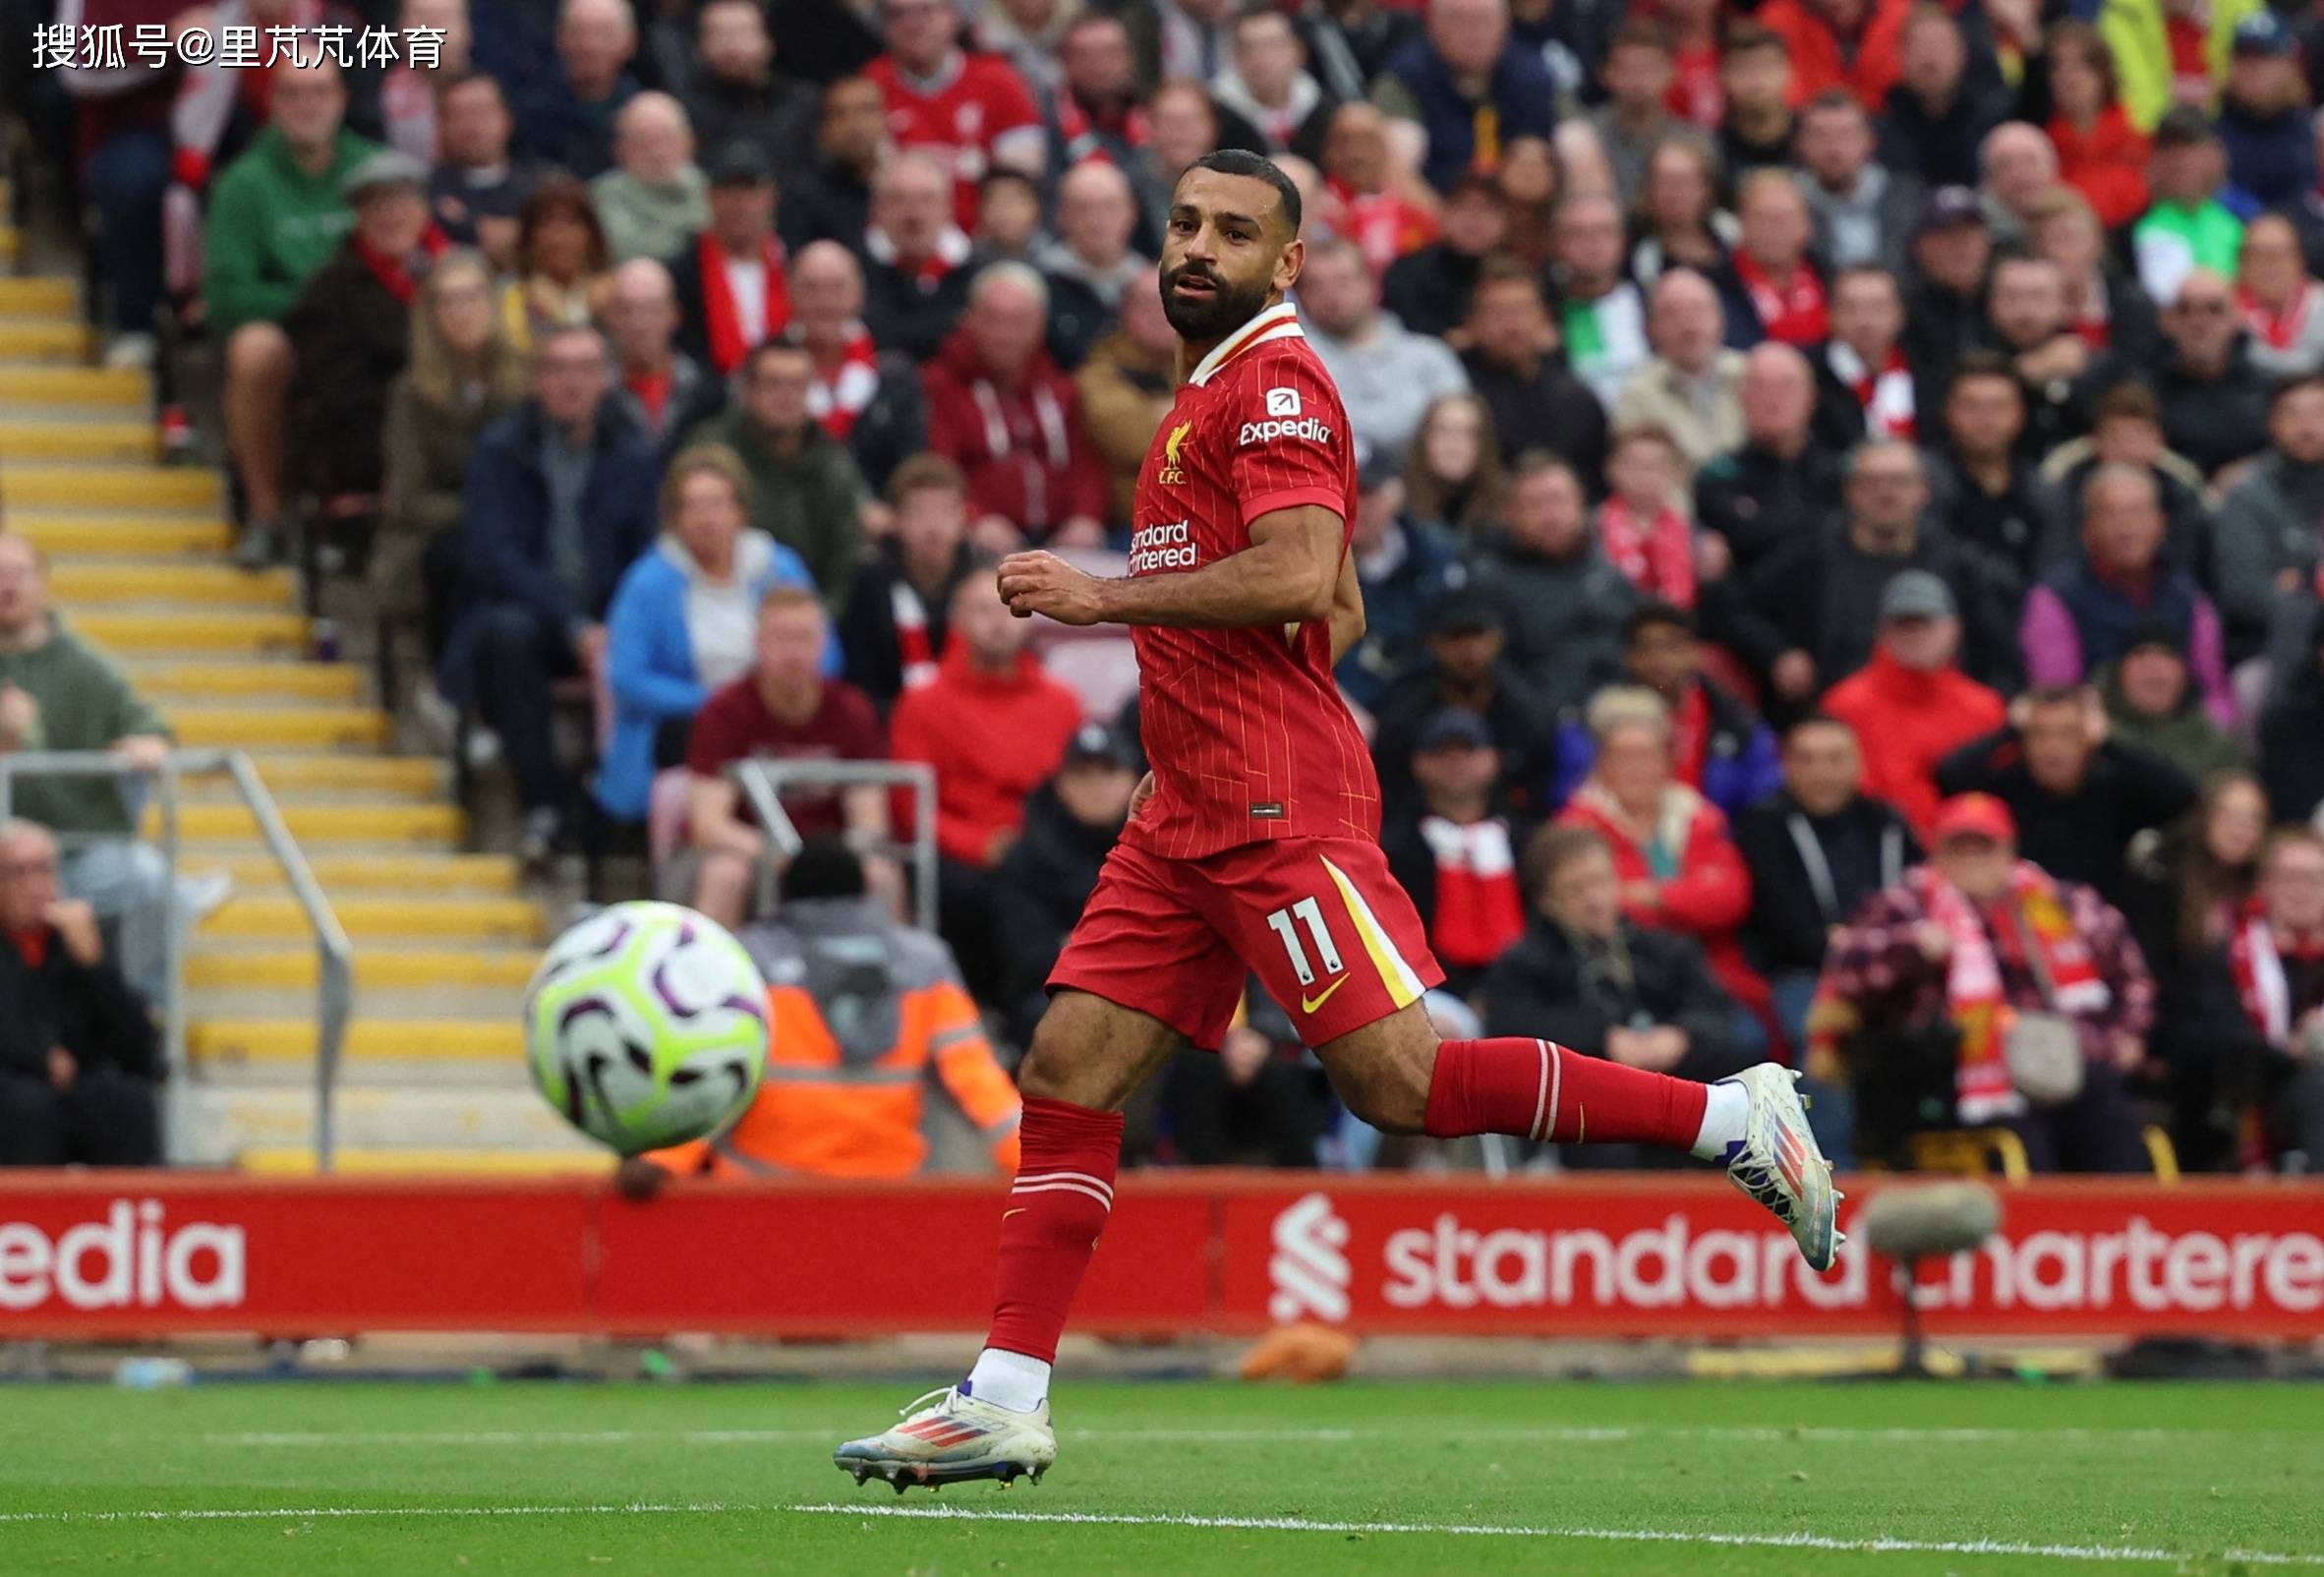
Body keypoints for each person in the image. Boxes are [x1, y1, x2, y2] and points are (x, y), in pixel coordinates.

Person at [833, 150, 1838, 1491]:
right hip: (1189, 805)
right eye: (1184, 223)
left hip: (1273, 807)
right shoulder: (1208, 390)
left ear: (1288, 261)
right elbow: (1344, 605)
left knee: (1400, 1083)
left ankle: (1730, 1117)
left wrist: (1104, 599)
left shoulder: (1278, 385)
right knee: (1067, 1069)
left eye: (1233, 231)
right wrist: (1191, 721)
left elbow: (1305, 572)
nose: (1198, 247)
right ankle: (1003, 1396)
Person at [620, 837, 1019, 1185]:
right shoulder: (923, 964)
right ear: (865, 891)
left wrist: (664, 1160)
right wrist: (1037, 1171)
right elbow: (977, 1081)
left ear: (784, 894)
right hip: (885, 1198)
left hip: (760, 1199)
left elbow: (711, 1074)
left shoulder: (747, 961)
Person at [1815, 792, 2156, 1172]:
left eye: (1985, 847)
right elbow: (1845, 967)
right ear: (1938, 851)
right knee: (2023, 1136)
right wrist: (1913, 946)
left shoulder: (2063, 901)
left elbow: (2131, 974)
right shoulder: (1908, 903)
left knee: (2111, 1119)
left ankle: (2130, 1208)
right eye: (1960, 848)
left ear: (2009, 850)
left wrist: (2129, 1035)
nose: (1973, 859)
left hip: (2068, 1055)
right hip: (1960, 1066)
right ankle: (2032, 1210)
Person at [442, 325, 658, 867]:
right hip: (530, 615)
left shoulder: (634, 453)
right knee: (506, 634)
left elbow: (647, 553)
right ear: (536, 380)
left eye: (586, 369)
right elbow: (492, 554)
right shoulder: (501, 449)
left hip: (612, 619)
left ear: (607, 380)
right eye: (558, 369)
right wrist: (571, 623)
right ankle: (545, 806)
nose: (571, 382)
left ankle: (625, 818)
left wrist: (615, 624)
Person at [0, 536, 211, 1009]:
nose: (6, 586)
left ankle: (144, 1015)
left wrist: (146, 746)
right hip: (4, 847)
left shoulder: (85, 664)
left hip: (82, 846)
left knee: (156, 884)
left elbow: (151, 728)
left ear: (42, 583)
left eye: (17, 573)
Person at [1478, 823, 1755, 1167]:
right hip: (1587, 1115)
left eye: (1601, 882)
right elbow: (1511, 1032)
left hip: (1675, 1093)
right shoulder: (1523, 964)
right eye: (1576, 890)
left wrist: (1681, 1035)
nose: (1596, 900)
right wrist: (1602, 1038)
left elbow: (1719, 1011)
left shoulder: (1663, 948)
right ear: (1547, 902)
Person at [594, 445, 829, 828]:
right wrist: (718, 703)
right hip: (686, 723)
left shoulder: (779, 567)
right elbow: (627, 677)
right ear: (675, 517)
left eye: (717, 504)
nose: (706, 519)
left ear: (740, 509)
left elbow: (826, 653)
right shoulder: (648, 581)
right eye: (693, 506)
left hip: (777, 713)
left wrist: (771, 694)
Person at [203, 58, 378, 569]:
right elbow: (228, 296)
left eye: (320, 91)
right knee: (254, 350)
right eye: (294, 93)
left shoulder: (374, 170)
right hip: (292, 334)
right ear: (273, 103)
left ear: (342, 100)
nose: (308, 105)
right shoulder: (243, 183)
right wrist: (318, 306)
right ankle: (266, 514)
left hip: (371, 328)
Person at [889, 572, 1084, 1000]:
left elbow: (1079, 794)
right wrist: (981, 845)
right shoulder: (923, 705)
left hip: (1043, 853)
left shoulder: (1062, 702)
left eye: (1009, 609)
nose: (997, 622)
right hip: (964, 865)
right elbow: (911, 808)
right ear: (957, 620)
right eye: (982, 610)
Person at [1726, 438, 2015, 707]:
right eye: (1872, 482)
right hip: (1832, 717)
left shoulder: (1956, 562)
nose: (1886, 493)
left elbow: (1996, 650)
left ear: (1923, 491)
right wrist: (1778, 654)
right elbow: (1739, 608)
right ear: (1850, 491)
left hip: (1936, 713)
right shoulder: (1813, 551)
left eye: (1900, 481)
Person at [1554, 685, 1769, 1032]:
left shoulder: (1699, 815)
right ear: (1601, 762)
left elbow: (1732, 898)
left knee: (1747, 1037)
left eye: (1647, 755)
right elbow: (1599, 911)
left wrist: (1654, 896)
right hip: (1619, 979)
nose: (1636, 768)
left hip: (1712, 976)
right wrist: (1690, 898)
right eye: (1623, 756)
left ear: (1668, 760)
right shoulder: (1576, 827)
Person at [678, 587, 891, 927]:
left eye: (803, 638)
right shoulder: (724, 711)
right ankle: (711, 962)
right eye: (781, 638)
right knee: (725, 874)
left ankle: (893, 962)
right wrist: (785, 855)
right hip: (748, 850)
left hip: (829, 852)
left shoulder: (853, 710)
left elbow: (870, 821)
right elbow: (709, 824)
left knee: (880, 873)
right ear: (758, 643)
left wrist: (827, 859)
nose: (793, 652)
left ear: (823, 644)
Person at [376, 250, 530, 693]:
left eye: (473, 297)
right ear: (431, 314)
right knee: (463, 556)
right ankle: (452, 689)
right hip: (437, 531)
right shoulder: (411, 393)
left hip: (520, 524)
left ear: (494, 303)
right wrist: (482, 517)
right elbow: (407, 497)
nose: (463, 311)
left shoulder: (529, 380)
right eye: (449, 300)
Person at [1734, 717, 1916, 1072]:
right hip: (1806, 972)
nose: (1822, 773)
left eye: (1834, 758)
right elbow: (1782, 924)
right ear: (1786, 766)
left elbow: (1920, 891)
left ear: (1857, 763)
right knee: (1821, 1032)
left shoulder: (1887, 822)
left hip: (1893, 963)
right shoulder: (1764, 826)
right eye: (1808, 760)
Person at [1937, 685, 2200, 907]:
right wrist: (2009, 730)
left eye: (2068, 733)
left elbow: (2182, 793)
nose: (2052, 748)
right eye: (2039, 733)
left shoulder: (2113, 787)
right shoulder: (2010, 786)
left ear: (2088, 738)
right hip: (2019, 924)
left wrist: (2108, 743)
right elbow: (1950, 776)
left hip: (2101, 926)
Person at [0, 820, 162, 1168]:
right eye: (18, 873)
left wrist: (94, 966)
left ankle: (126, 1202)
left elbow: (139, 1048)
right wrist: (40, 1058)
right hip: (14, 1088)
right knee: (23, 1107)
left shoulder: (80, 943)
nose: (34, 886)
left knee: (127, 1103)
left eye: (43, 870)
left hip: (76, 1087)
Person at [2020, 464, 2236, 726]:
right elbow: (2057, 697)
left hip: (2180, 735)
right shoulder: (2056, 598)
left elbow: (2214, 692)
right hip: (2096, 735)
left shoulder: (2188, 596)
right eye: (2111, 514)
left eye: (2138, 512)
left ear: (2161, 523)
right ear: (2087, 528)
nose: (2126, 528)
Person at [923, 263, 1110, 549]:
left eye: (1018, 321)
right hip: (980, 542)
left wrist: (1086, 517)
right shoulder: (941, 386)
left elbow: (1085, 463)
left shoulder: (1059, 387)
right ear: (970, 319)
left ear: (1040, 325)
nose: (1005, 335)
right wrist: (974, 518)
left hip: (1061, 541)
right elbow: (941, 471)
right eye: (993, 319)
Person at [683, 339, 870, 609]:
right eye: (774, 384)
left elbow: (845, 561)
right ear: (748, 390)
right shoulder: (711, 451)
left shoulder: (831, 460)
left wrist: (816, 620)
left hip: (806, 616)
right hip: (717, 605)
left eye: (798, 385)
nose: (787, 396)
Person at [1555, 602, 1780, 821]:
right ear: (1628, 657)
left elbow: (1763, 802)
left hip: (1714, 839)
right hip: (1620, 837)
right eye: (1646, 648)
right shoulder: (1591, 722)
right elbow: (1572, 797)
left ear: (1696, 653)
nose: (1660, 660)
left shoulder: (1739, 724)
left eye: (1673, 646)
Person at [1821, 570, 2007, 837]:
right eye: (1903, 624)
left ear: (1954, 628)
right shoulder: (1845, 706)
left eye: (1926, 623)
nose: (1915, 634)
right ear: (1882, 632)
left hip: (1967, 851)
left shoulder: (1985, 708)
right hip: (1880, 847)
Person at [992, 725, 1141, 1047]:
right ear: (1060, 783)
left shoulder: (1162, 849)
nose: (1096, 787)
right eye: (1082, 774)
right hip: (1056, 995)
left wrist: (1079, 943)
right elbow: (1028, 956)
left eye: (1108, 771)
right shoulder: (1028, 857)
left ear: (1133, 779)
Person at [1468, 452, 1637, 717]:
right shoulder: (1487, 584)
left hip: (1622, 718)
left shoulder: (1608, 576)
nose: (1551, 515)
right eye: (1536, 504)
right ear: (1509, 513)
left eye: (1559, 500)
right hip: (1536, 722)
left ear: (1581, 503)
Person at [1379, 708, 1533, 996]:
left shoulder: (1527, 841)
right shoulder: (1393, 848)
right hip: (1428, 991)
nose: (1456, 762)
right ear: (1419, 763)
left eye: (1468, 750)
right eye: (1442, 753)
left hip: (1520, 989)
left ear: (1494, 759)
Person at [1369, 592, 1558, 823]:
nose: (1469, 649)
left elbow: (1538, 782)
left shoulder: (1523, 709)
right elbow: (1388, 782)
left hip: (1507, 827)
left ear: (1498, 638)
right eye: (1455, 636)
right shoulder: (1404, 709)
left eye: (1477, 635)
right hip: (1415, 828)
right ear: (1433, 643)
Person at [865, 0, 1046, 229]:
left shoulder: (1001, 81)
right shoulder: (867, 89)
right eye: (897, 14)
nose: (913, 24)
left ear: (955, 15)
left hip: (984, 239)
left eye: (926, 10)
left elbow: (1019, 185)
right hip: (895, 237)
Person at [1296, 236, 1471, 464]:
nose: (1331, 295)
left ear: (1372, 284)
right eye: (1316, 286)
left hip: (1424, 480)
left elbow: (1466, 434)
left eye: (1343, 281)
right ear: (1301, 297)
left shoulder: (1430, 357)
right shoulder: (1293, 364)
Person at [1923, 353, 2072, 606]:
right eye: (1972, 406)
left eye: (1998, 407)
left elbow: (2053, 580)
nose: (1985, 419)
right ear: (1948, 411)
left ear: (2020, 414)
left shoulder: (2045, 493)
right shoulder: (1922, 487)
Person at [1693, 343, 1850, 577]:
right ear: (1741, 398)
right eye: (1759, 386)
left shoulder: (1840, 475)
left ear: (1812, 398)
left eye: (1787, 386)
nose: (1773, 398)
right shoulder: (1718, 478)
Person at [786, 240, 929, 497]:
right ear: (791, 293)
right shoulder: (768, 371)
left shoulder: (893, 373)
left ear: (859, 293)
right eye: (811, 288)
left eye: (837, 288)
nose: (825, 302)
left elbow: (910, 464)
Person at [842, 453, 982, 708]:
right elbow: (861, 678)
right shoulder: (871, 582)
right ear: (896, 520)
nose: (933, 525)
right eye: (918, 512)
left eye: (945, 511)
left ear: (964, 517)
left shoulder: (982, 582)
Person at [1372, 0, 1558, 193]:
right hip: (1435, 197)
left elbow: (1574, 140)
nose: (1473, 32)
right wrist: (1440, 212)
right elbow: (1395, 172)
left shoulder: (1535, 75)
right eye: (1459, 20)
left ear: (1506, 25)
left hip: (1521, 203)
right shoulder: (1404, 77)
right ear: (1432, 24)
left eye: (1484, 20)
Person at [1455, 258, 1608, 488]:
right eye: (1497, 312)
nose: (1511, 325)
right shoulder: (1458, 392)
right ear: (1472, 323)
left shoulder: (1575, 399)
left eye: (1521, 310)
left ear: (1544, 319)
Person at [1335, 443, 1466, 711]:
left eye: (1365, 492)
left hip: (1408, 715)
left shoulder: (1431, 564)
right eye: (1341, 491)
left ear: (1394, 496)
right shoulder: (1305, 564)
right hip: (1323, 712)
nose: (1352, 503)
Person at [2231, 828, 2324, 1166]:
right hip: (2267, 1092)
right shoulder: (2234, 952)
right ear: (2264, 885)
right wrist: (2289, 1051)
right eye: (2288, 878)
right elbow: (2221, 1035)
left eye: (2312, 880)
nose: (2300, 891)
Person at [668, 142, 790, 380]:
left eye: (749, 191)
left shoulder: (793, 266)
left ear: (771, 197)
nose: (739, 203)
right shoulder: (682, 274)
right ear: (710, 196)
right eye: (728, 190)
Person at [1614, 268, 1745, 475]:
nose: (1687, 325)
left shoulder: (1751, 376)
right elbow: (1640, 477)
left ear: (1720, 319)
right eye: (1670, 314)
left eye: (1697, 309)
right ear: (1651, 330)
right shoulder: (1636, 395)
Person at [602, 258, 726, 461]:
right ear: (610, 316)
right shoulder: (594, 393)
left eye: (653, 309)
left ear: (674, 316)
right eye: (627, 309)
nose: (640, 323)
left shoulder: (707, 393)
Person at [2154, 267, 2273, 480]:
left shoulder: (2271, 391)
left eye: (2215, 309)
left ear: (2238, 318)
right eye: (2184, 310)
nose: (2198, 322)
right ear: (2166, 320)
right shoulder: (2143, 389)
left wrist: (2253, 473)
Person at [679, 0, 818, 179]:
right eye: (718, 34)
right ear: (700, 44)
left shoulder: (803, 103)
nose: (731, 45)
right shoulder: (682, 108)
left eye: (743, 32)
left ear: (768, 40)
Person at [1036, 162, 1154, 370]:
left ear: (1132, 212)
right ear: (1061, 215)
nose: (1096, 220)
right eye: (1082, 208)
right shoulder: (1039, 288)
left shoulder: (1154, 286)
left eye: (1109, 207)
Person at [861, 152, 978, 361]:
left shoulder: (976, 271)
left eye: (927, 199)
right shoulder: (855, 270)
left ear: (947, 208)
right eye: (898, 199)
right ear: (876, 208)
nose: (914, 214)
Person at [2099, 620, 2248, 785]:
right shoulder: (2095, 736)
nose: (2154, 667)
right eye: (2141, 655)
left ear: (2184, 673)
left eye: (2166, 656)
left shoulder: (2212, 741)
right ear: (2119, 672)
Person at [425, 72, 543, 273]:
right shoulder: (427, 192)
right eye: (458, 115)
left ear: (506, 119)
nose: (470, 125)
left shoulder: (542, 184)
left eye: (481, 112)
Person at [1545, 191, 1652, 407]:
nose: (1593, 243)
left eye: (1605, 231)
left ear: (1622, 240)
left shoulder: (1652, 303)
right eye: (1578, 233)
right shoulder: (1542, 310)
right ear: (1556, 243)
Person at [1796, 89, 1922, 273]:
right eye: (1820, 135)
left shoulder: (1908, 199)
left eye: (1845, 134)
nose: (1833, 148)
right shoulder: (1789, 202)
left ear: (1869, 141)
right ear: (1801, 144)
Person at [2134, 109, 2250, 306]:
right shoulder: (2127, 232)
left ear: (2214, 155)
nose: (2179, 159)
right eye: (2167, 147)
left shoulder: (2240, 223)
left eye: (2189, 146)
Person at [2043, 20, 2150, 230]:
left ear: (2103, 73)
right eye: (2057, 66)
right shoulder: (2041, 149)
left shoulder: (2136, 140)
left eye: (2082, 64)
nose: (2068, 76)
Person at [515, 0, 640, 180]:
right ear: (559, 38)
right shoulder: (529, 113)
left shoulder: (643, 113)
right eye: (577, 33)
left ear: (630, 42)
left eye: (603, 34)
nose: (589, 45)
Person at [1382, 173, 1507, 339]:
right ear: (1444, 215)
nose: (1475, 219)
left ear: (1504, 221)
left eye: (1488, 209)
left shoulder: (1517, 273)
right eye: (1463, 207)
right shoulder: (1406, 274)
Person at [590, 92, 707, 267]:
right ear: (620, 149)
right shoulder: (605, 195)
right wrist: (690, 236)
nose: (657, 153)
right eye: (643, 142)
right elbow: (628, 250)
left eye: (667, 139)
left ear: (689, 141)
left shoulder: (708, 187)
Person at [498, 176, 613, 354]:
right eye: (547, 225)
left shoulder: (617, 295)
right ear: (530, 237)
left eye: (572, 223)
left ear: (591, 233)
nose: (560, 238)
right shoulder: (509, 296)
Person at [781, 76, 891, 256]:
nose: (855, 126)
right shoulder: (802, 197)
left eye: (866, 110)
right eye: (839, 114)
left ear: (886, 118)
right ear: (823, 129)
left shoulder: (908, 188)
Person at [1821, 265, 1912, 439]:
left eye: (1878, 309)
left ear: (1900, 314)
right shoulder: (1810, 377)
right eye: (1851, 309)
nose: (1865, 321)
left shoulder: (1925, 373)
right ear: (1830, 315)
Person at [2234, 212, 2324, 380]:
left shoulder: (2320, 303)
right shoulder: (2224, 309)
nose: (2269, 266)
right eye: (2258, 255)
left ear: (2300, 260)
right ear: (2241, 263)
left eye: (2279, 255)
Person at [1401, 391, 1503, 539]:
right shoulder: (1397, 510)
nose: (1454, 444)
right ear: (1424, 439)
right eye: (1443, 431)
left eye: (1467, 433)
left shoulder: (1504, 509)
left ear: (1484, 444)